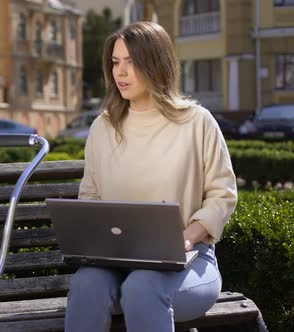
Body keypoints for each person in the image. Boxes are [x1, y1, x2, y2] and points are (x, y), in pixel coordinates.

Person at [66, 22, 237, 331]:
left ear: (155, 63)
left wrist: (185, 238)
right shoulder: (103, 128)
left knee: (142, 288)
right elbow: (90, 196)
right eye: (116, 62)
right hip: (115, 264)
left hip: (190, 263)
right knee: (86, 284)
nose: (120, 72)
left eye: (131, 62)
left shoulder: (197, 122)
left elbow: (222, 195)